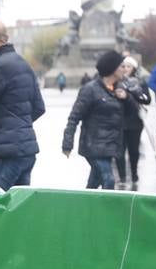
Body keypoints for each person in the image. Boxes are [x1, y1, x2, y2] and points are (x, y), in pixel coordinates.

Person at [0, 20, 46, 190]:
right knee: (17, 208)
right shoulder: (22, 63)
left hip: (7, 153)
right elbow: (39, 107)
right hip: (26, 151)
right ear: (6, 38)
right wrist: (19, 125)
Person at [62, 51, 125, 190]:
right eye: (121, 66)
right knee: (108, 180)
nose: (124, 69)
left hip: (110, 145)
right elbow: (74, 117)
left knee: (94, 183)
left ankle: (84, 208)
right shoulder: (90, 89)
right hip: (93, 145)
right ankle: (106, 211)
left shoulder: (119, 89)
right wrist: (67, 143)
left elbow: (132, 111)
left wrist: (127, 98)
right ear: (112, 69)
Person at [115, 56, 150, 187]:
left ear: (134, 68)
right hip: (119, 120)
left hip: (135, 120)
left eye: (128, 66)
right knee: (119, 150)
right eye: (123, 66)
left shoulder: (140, 82)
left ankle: (134, 173)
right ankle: (122, 176)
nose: (125, 69)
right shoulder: (115, 82)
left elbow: (147, 100)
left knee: (134, 150)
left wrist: (133, 93)